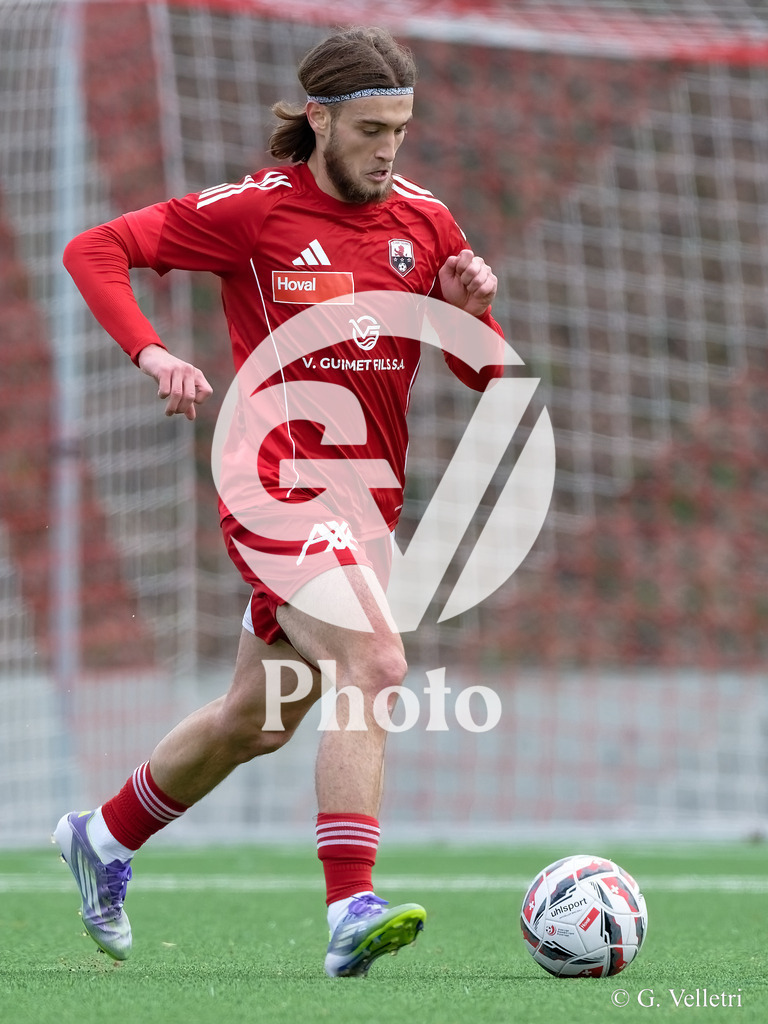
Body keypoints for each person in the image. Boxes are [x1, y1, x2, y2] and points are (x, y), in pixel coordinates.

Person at [54, 26, 504, 977]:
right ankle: (351, 908)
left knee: (256, 719)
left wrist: (469, 314)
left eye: (402, 130)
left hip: (366, 508)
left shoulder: (426, 223)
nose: (390, 150)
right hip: (276, 487)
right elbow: (94, 249)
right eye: (373, 128)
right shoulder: (255, 215)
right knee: (378, 665)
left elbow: (485, 376)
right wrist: (155, 352)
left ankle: (102, 837)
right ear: (318, 117)